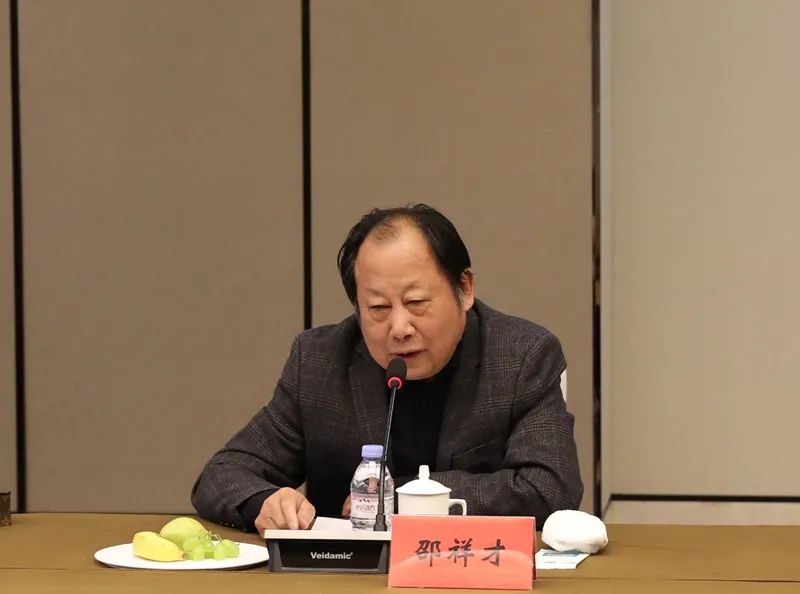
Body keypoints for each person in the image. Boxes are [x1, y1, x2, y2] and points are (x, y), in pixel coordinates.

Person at [191, 204, 582, 533]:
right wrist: (264, 502)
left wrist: (408, 500)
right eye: (378, 308)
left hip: (474, 576)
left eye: (416, 303)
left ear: (464, 289)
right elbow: (222, 473)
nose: (399, 328)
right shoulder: (318, 362)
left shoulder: (522, 356)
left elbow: (549, 489)